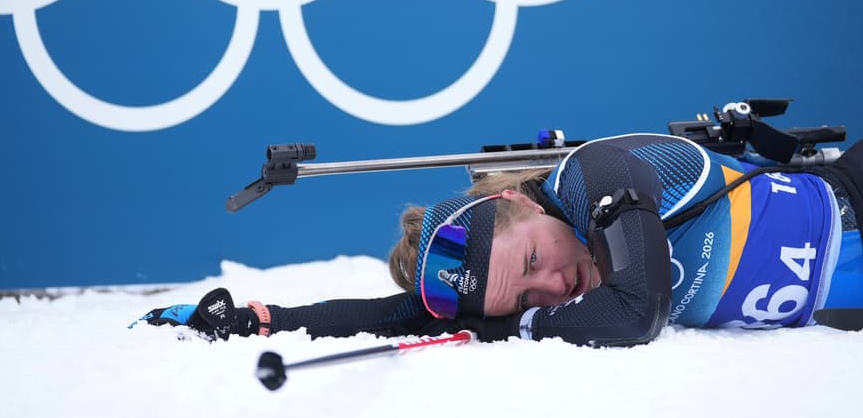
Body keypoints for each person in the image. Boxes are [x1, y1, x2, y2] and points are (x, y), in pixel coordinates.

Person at [135, 134, 863, 347]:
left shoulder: (595, 175)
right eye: (525, 297)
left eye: (534, 260)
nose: (554, 288)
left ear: (517, 200)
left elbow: (636, 311)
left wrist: (507, 323)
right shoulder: (523, 278)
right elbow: (390, 317)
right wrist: (260, 319)